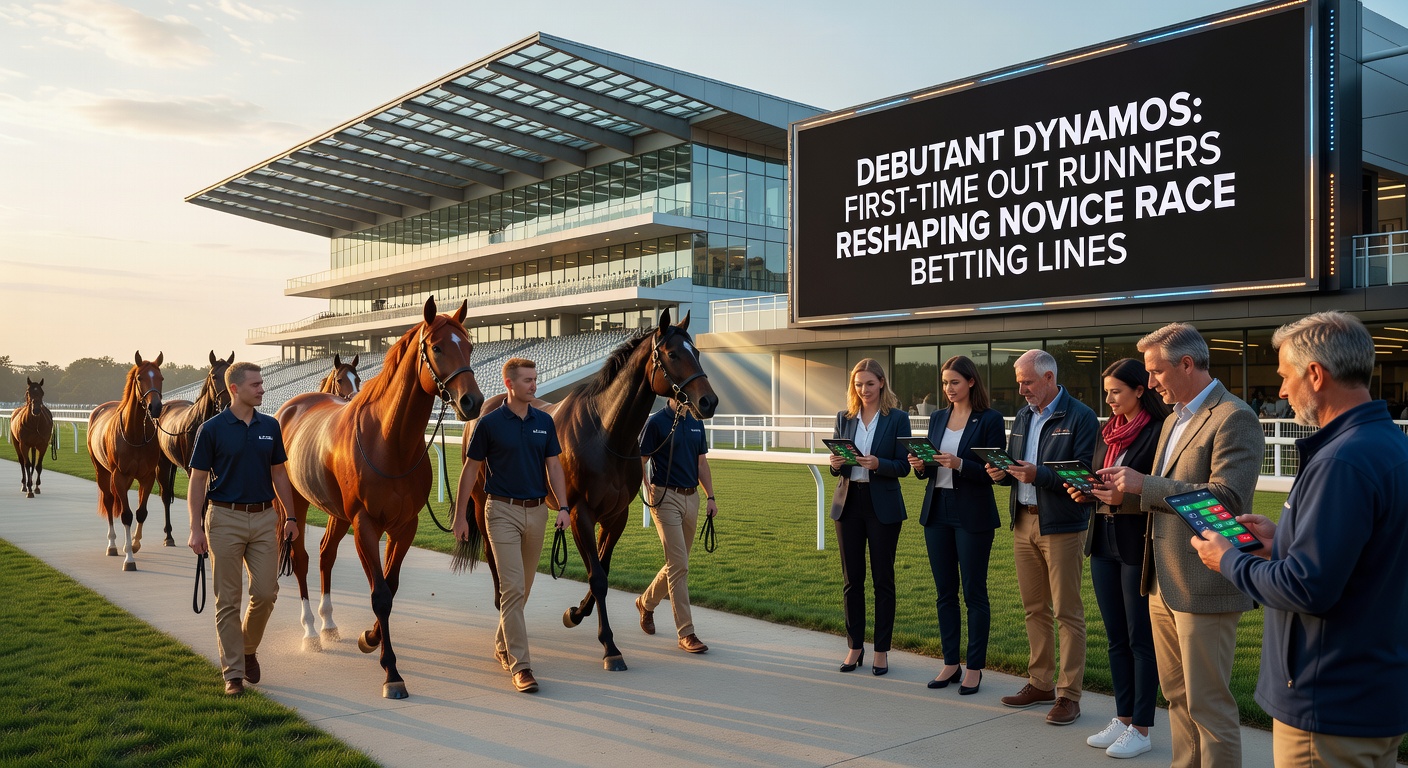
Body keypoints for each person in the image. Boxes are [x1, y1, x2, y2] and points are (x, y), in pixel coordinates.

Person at [1190, 311, 1408, 768]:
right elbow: (1366, 556)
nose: (1282, 391)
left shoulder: (1341, 461)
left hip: (1327, 703)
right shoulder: (1388, 444)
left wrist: (1229, 559)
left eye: (1286, 376)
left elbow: (1307, 588)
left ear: (1315, 374)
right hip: (1374, 692)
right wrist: (1283, 538)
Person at [1099, 322, 1264, 768]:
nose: (1150, 382)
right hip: (1162, 581)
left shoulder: (1234, 417)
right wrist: (1123, 494)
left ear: (1187, 364)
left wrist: (1143, 485)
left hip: (1204, 583)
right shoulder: (1174, 418)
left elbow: (1226, 498)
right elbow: (1162, 495)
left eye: (1156, 372)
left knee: (1208, 706)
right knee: (1177, 699)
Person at [1064, 358, 1169, 758]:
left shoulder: (1157, 433)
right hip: (1102, 540)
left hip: (1137, 542)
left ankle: (1142, 727)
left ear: (1140, 390)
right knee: (1115, 638)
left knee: (1139, 638)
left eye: (1116, 392)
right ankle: (1123, 717)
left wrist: (1122, 498)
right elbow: (1102, 480)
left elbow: (1157, 491)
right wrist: (1085, 492)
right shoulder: (1106, 434)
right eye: (1106, 391)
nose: (1108, 399)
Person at [986, 349, 1097, 725]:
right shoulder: (1022, 416)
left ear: (1049, 378)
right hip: (1023, 522)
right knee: (1034, 609)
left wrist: (1039, 476)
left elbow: (1082, 473)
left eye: (1027, 382)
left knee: (1067, 612)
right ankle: (1040, 682)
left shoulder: (1080, 416)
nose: (1021, 390)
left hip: (1063, 525)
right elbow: (1020, 465)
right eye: (1019, 382)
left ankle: (1069, 695)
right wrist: (1002, 472)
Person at [453, 358, 571, 694]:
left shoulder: (544, 423)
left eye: (536, 379)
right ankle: (522, 666)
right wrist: (461, 516)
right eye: (527, 381)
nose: (534, 386)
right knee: (513, 589)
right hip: (500, 511)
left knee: (522, 591)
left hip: (537, 513)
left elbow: (554, 467)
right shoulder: (489, 424)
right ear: (509, 384)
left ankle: (502, 643)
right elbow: (470, 472)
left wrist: (563, 506)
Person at [186, 362, 299, 696]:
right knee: (228, 600)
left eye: (262, 383)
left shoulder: (270, 426)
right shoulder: (212, 429)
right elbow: (197, 480)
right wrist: (195, 528)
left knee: (266, 593)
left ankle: (247, 649)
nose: (262, 389)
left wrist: (290, 517)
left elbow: (279, 473)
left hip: (265, 518)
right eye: (255, 385)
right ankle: (233, 673)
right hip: (223, 519)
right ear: (235, 389)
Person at [906, 355, 1003, 695]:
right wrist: (920, 465)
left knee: (974, 593)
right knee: (944, 593)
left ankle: (974, 667)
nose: (948, 389)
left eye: (955, 382)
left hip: (973, 513)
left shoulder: (989, 420)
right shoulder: (936, 418)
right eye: (945, 383)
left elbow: (994, 473)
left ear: (971, 382)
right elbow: (930, 470)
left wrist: (961, 464)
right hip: (937, 511)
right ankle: (951, 662)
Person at [829, 358, 911, 676]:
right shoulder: (844, 417)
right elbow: (836, 466)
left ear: (881, 384)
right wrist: (836, 463)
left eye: (870, 384)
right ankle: (854, 647)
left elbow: (904, 466)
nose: (864, 390)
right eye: (858, 384)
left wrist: (880, 465)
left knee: (883, 581)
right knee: (852, 581)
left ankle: (881, 650)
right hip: (848, 505)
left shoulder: (897, 419)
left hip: (883, 506)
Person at [635, 396, 715, 654]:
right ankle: (686, 632)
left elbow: (701, 462)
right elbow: (641, 458)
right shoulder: (657, 422)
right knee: (679, 565)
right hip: (665, 497)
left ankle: (645, 603)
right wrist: (642, 481)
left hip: (692, 497)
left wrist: (710, 496)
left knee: (677, 564)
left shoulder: (695, 422)